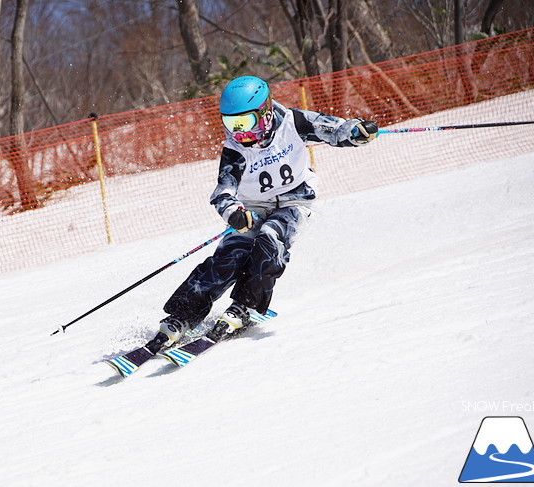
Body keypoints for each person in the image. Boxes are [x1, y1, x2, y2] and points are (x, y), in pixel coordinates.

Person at [144, 75, 378, 354]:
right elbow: (222, 193)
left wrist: (354, 131)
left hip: (295, 202)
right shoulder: (235, 149)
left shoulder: (293, 122)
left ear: (264, 113)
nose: (239, 132)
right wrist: (234, 214)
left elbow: (332, 128)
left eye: (244, 123)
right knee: (228, 257)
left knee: (270, 239)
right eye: (230, 124)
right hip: (252, 208)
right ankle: (182, 315)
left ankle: (246, 305)